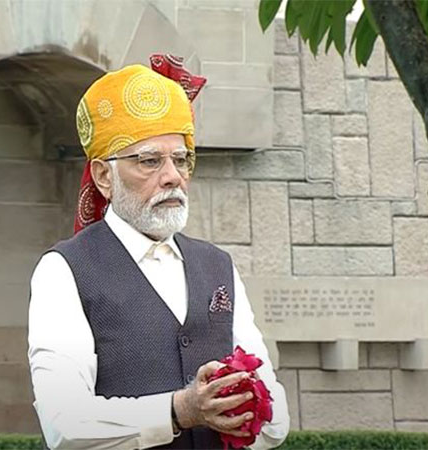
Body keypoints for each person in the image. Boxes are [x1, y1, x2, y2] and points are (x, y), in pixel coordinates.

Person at [28, 55, 290, 450]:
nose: (172, 176)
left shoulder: (217, 265)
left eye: (181, 159)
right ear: (104, 176)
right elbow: (64, 424)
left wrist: (246, 408)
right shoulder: (64, 270)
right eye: (149, 161)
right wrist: (180, 410)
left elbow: (276, 421)